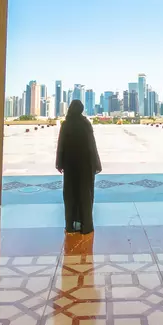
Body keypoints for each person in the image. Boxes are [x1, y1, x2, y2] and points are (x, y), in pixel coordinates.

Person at [56, 100, 102, 234]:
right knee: (85, 194)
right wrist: (95, 164)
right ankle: (85, 225)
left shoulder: (66, 124)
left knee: (71, 194)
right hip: (85, 165)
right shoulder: (85, 124)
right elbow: (91, 146)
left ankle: (71, 225)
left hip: (70, 165)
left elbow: (61, 146)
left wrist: (60, 163)